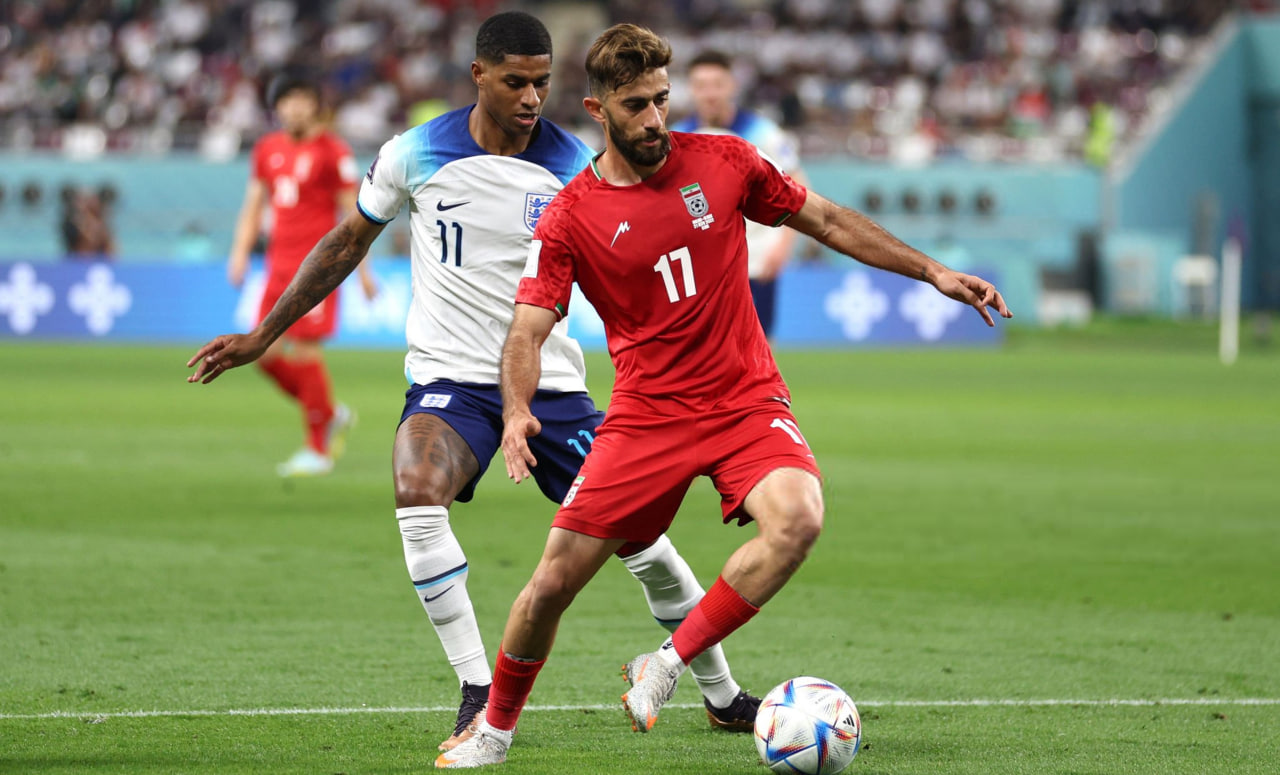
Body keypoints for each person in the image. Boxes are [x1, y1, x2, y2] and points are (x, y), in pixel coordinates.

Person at [436, 23, 1011, 769]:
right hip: (646, 419)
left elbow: (826, 219)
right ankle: (494, 732)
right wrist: (517, 409)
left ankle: (667, 663)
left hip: (745, 400)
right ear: (598, 109)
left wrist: (932, 271)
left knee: (799, 518)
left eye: (661, 99)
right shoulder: (571, 215)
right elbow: (526, 329)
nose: (654, 118)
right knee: (551, 583)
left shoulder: (726, 161)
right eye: (636, 105)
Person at [187, 10, 759, 755]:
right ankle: (475, 687)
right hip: (450, 380)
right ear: (478, 75)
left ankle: (720, 693)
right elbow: (347, 241)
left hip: (551, 386)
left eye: (542, 83)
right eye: (516, 82)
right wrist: (264, 335)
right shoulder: (415, 152)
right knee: (416, 488)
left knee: (643, 541)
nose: (531, 98)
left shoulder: (577, 163)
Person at [226, 70, 378, 477]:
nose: (292, 108)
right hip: (277, 267)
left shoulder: (333, 151)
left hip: (319, 269)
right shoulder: (267, 150)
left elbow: (356, 215)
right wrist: (239, 253)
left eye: (300, 99)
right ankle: (328, 412)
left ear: (314, 104)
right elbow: (253, 206)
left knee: (307, 352)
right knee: (261, 353)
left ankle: (317, 449)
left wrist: (363, 271)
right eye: (284, 101)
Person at [672, 49, 807, 340]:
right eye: (701, 85)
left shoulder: (763, 133)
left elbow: (797, 185)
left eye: (717, 84)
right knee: (705, 348)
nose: (710, 94)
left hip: (756, 258)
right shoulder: (676, 137)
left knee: (759, 346)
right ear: (691, 89)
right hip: (701, 264)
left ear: (732, 86)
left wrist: (783, 246)